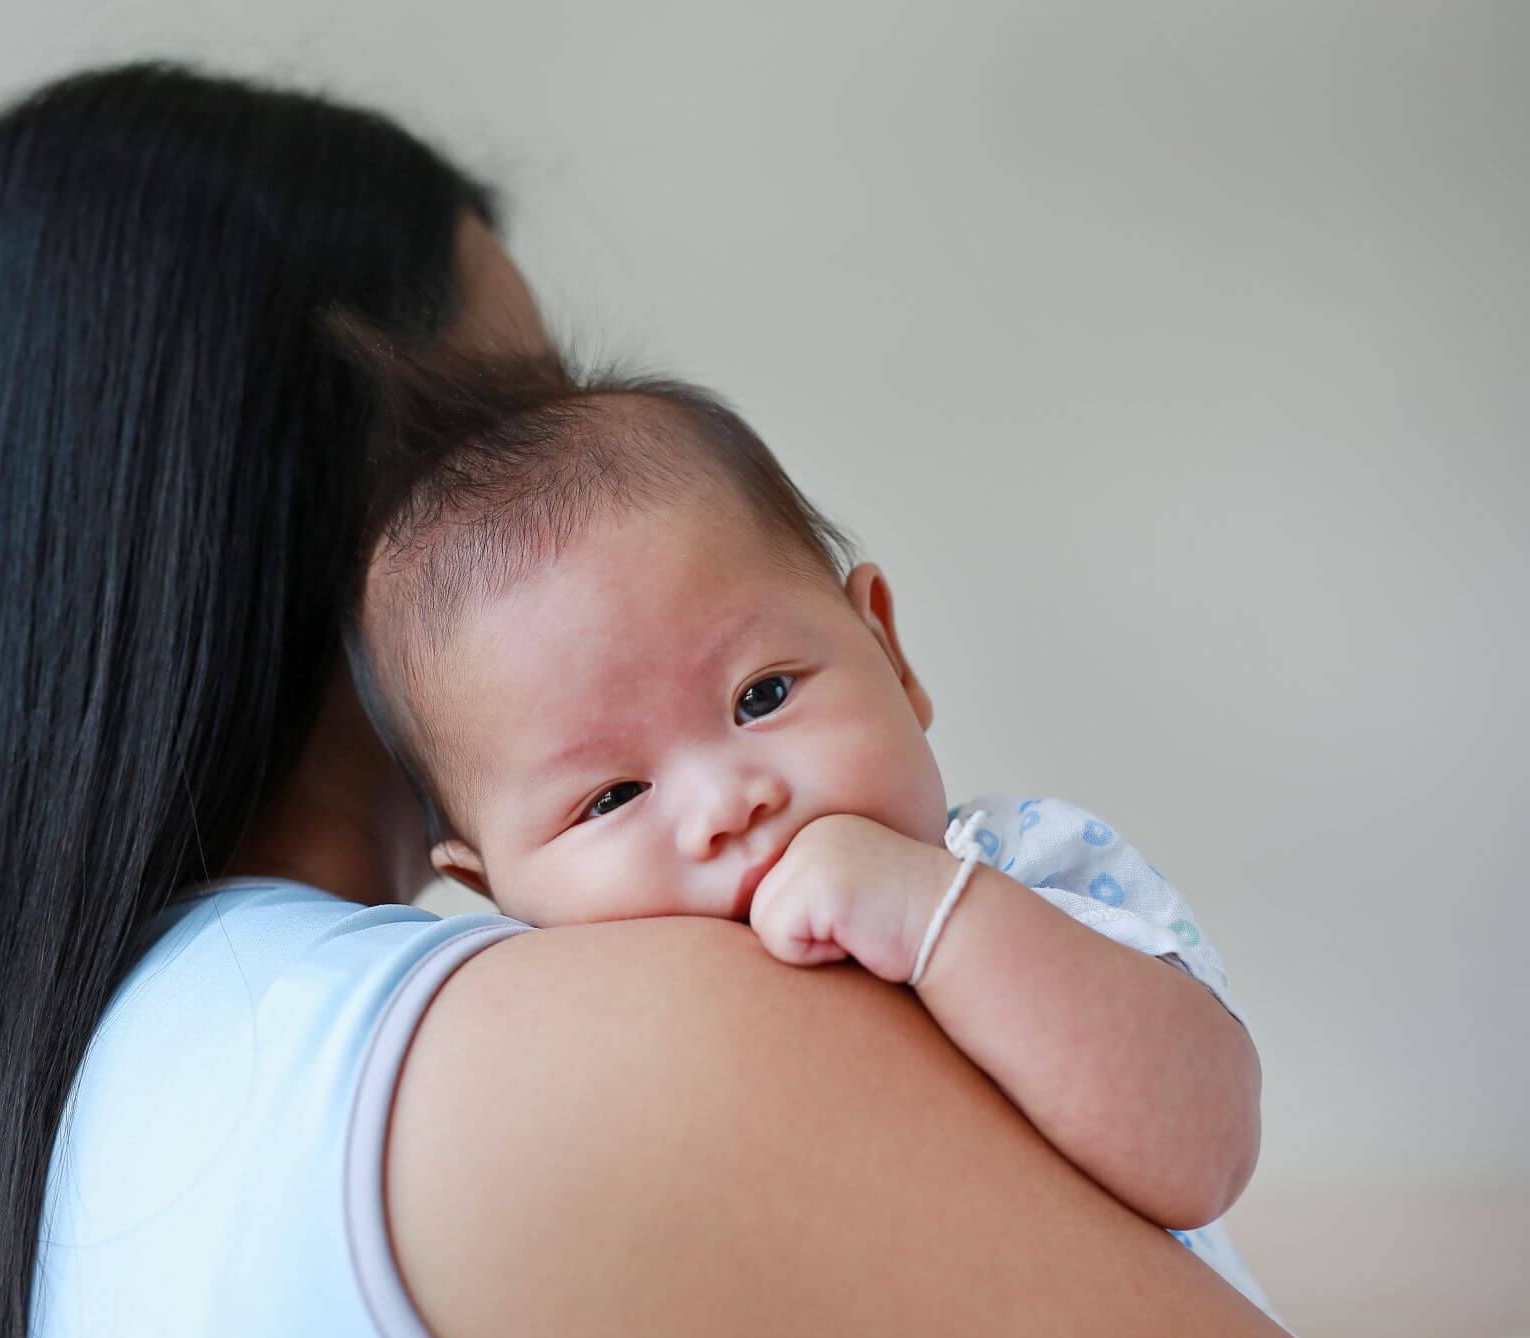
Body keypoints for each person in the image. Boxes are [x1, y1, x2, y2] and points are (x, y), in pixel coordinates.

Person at [0, 63, 1286, 1336]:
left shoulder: (7, 1148)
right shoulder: (620, 1044)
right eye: (516, 425)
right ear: (337, 538)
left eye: (758, 689)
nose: (724, 801)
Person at [343, 353, 1271, 1311]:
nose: (725, 803)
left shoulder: (1017, 867)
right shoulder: (545, 1066)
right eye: (613, 797)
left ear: (886, 649)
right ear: (493, 889)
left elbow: (1207, 1148)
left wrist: (938, 920)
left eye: (762, 695)